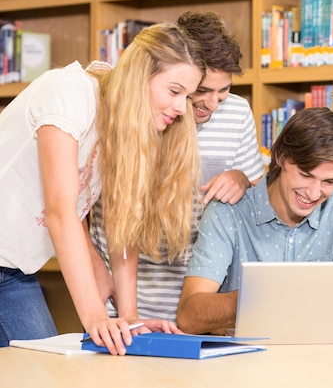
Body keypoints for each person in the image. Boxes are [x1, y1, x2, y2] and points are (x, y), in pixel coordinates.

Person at [0, 22, 206, 355]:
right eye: (174, 91)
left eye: (188, 96)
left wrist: (129, 317)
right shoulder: (68, 91)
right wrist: (96, 316)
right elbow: (61, 211)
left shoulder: (125, 126)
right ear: (140, 76)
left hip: (15, 271)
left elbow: (122, 224)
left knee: (39, 371)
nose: (182, 108)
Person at [89, 11, 265, 322]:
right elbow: (78, 202)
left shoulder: (237, 112)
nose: (212, 105)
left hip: (198, 296)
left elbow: (253, 198)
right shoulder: (128, 107)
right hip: (119, 291)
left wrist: (241, 179)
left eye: (223, 92)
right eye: (203, 90)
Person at [177, 107, 333, 335]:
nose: (313, 193)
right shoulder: (228, 211)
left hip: (321, 359)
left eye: (329, 182)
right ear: (280, 157)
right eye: (306, 175)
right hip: (241, 363)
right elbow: (189, 317)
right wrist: (260, 296)